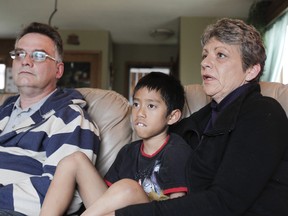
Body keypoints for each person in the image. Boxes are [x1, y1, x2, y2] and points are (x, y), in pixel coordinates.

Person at [113, 18, 288, 216]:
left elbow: (224, 202)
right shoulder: (200, 120)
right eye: (205, 55)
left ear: (251, 70)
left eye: (220, 55)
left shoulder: (264, 114)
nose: (205, 63)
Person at [40, 72, 192, 216]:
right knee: (74, 160)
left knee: (129, 187)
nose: (140, 113)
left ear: (172, 116)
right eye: (137, 104)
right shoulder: (128, 151)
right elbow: (107, 200)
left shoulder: (176, 150)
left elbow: (177, 207)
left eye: (151, 106)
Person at [0, 22, 100, 216]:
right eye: (20, 53)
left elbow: (59, 192)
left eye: (38, 55)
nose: (25, 61)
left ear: (58, 70)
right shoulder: (4, 110)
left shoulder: (70, 117)